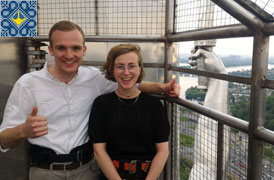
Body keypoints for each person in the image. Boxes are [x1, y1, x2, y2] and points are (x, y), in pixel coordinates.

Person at [0, 21, 179, 180]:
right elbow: (3, 140)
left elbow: (128, 83)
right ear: (51, 50)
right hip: (45, 172)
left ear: (84, 50)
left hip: (87, 170)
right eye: (61, 48)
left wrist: (162, 88)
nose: (69, 55)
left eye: (76, 48)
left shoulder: (93, 78)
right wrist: (23, 130)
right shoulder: (28, 84)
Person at [88, 44, 170, 180]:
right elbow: (99, 151)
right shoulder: (101, 104)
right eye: (120, 66)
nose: (126, 72)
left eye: (132, 66)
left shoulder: (154, 105)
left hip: (148, 176)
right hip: (111, 175)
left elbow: (163, 150)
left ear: (139, 69)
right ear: (112, 70)